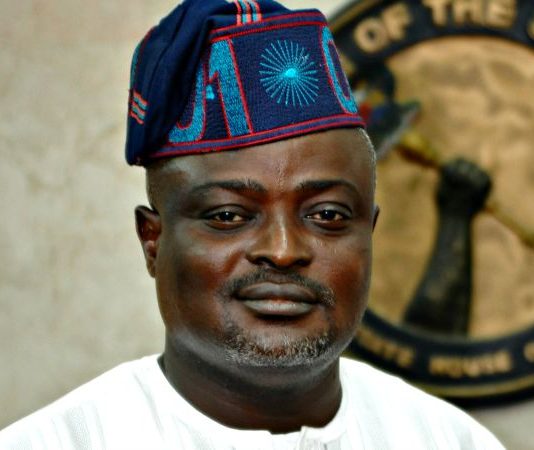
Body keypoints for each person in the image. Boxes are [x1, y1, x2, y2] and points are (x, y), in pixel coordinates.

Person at [0, 1, 504, 448]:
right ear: (152, 241)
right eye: (228, 216)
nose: (283, 250)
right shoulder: (58, 442)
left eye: (327, 215)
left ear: (368, 234)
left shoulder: (447, 440)